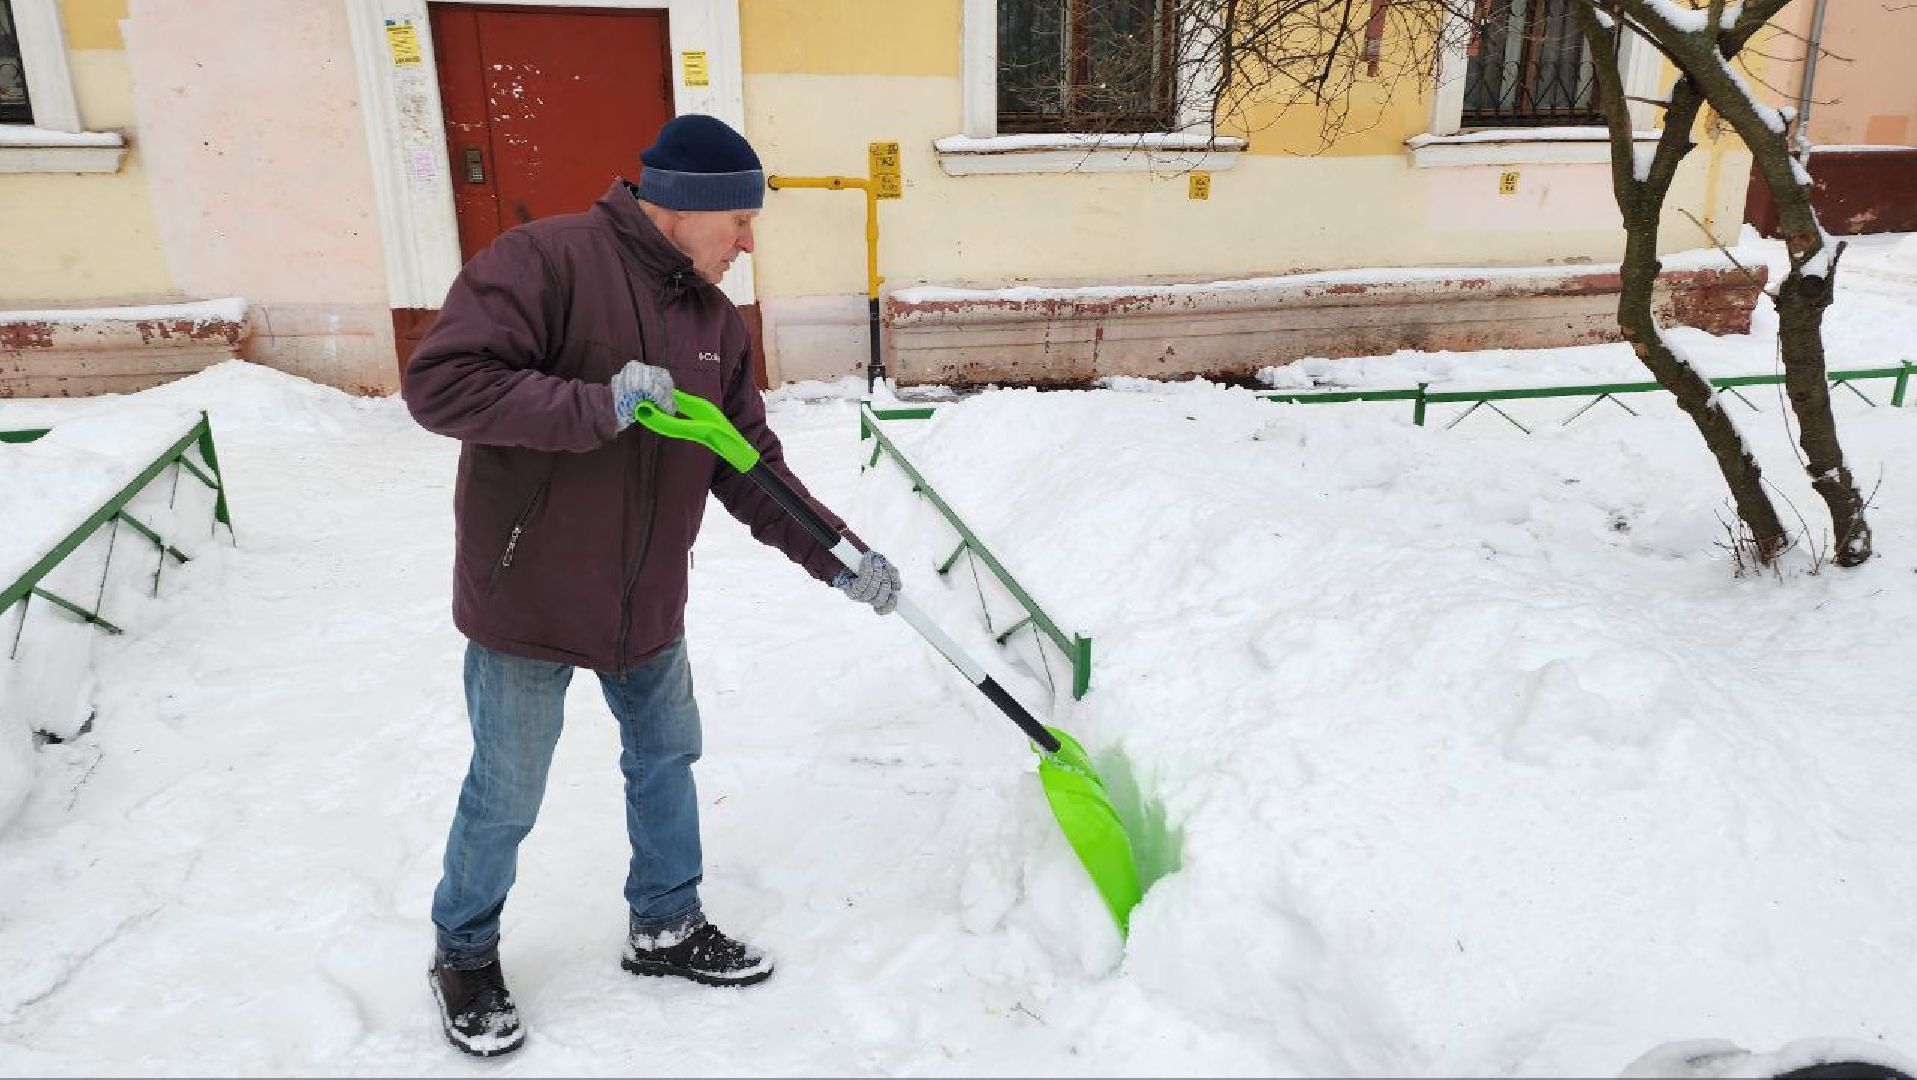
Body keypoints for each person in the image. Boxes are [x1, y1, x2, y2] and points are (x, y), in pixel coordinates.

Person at [401, 113, 903, 1059]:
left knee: (666, 759)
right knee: (507, 790)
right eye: (740, 222)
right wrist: (599, 404)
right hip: (530, 595)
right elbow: (442, 385)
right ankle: (462, 950)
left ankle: (666, 924)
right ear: (686, 205)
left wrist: (838, 554)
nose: (749, 243)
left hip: (645, 601)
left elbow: (745, 462)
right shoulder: (544, 262)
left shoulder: (715, 324)